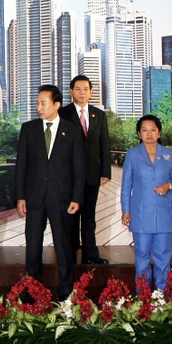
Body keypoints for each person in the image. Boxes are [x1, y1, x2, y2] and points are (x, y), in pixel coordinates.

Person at [15, 84, 84, 300]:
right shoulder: (29, 129)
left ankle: (66, 293)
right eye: (37, 103)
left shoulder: (72, 130)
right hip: (34, 197)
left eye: (43, 103)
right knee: (33, 246)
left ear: (56, 104)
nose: (38, 107)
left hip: (62, 198)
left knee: (64, 247)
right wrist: (20, 196)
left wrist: (76, 197)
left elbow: (79, 168)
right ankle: (32, 293)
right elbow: (21, 166)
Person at [120, 115, 172, 291]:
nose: (149, 134)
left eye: (153, 130)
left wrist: (169, 185)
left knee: (163, 259)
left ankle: (163, 301)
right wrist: (126, 210)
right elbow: (126, 186)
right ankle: (144, 300)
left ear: (159, 132)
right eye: (144, 130)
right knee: (142, 258)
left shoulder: (169, 154)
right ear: (139, 133)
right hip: (140, 214)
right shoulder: (132, 155)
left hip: (164, 214)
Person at [59, 75, 111, 265]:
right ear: (71, 92)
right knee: (71, 216)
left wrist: (105, 171)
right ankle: (70, 253)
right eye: (78, 89)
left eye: (86, 89)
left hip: (91, 175)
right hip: (69, 176)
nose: (82, 93)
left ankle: (90, 254)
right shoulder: (62, 114)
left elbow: (104, 144)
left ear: (91, 92)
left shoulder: (99, 115)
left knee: (89, 217)